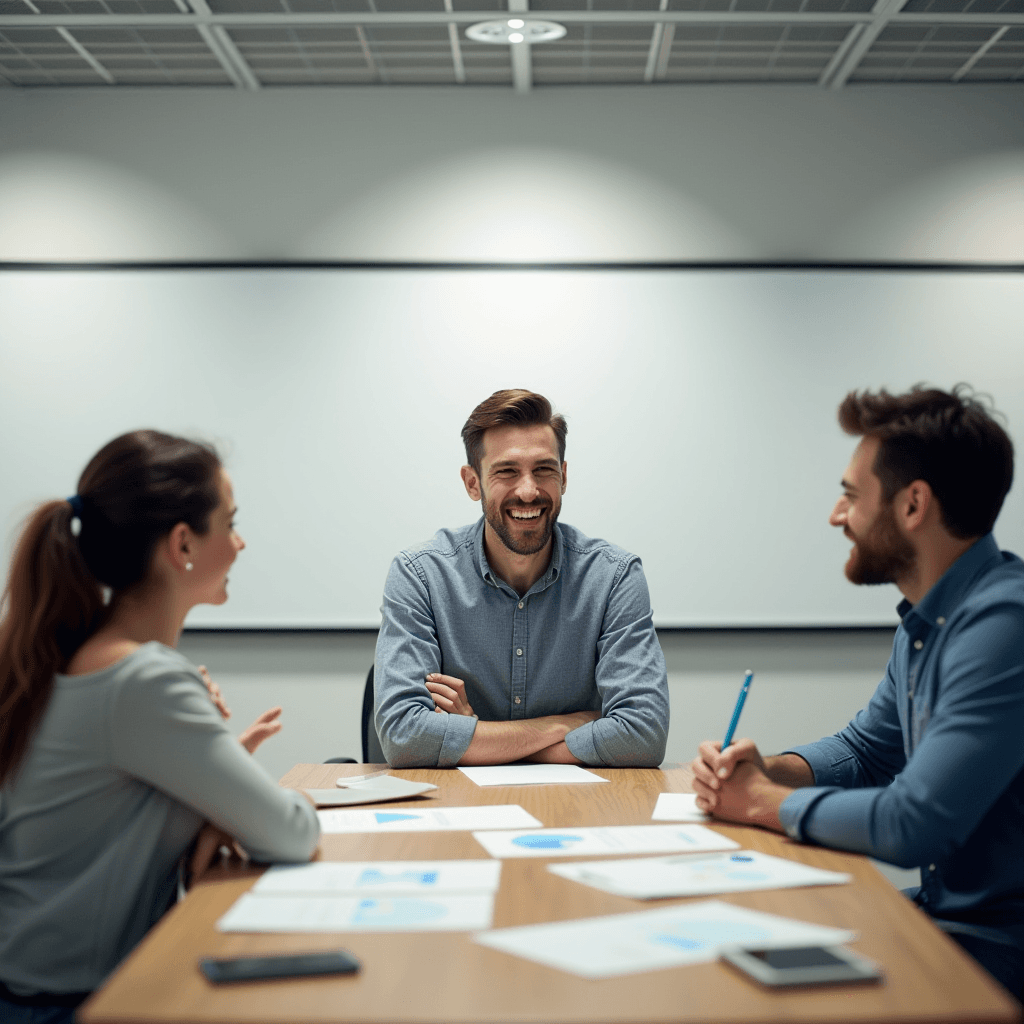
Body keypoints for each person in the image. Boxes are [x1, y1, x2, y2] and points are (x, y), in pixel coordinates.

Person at [691, 385, 1024, 998]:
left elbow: (911, 824)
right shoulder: (932, 618)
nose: (836, 516)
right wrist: (772, 771)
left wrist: (761, 801)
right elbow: (869, 751)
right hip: (948, 917)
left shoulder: (1004, 627)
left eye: (850, 495)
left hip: (999, 946)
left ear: (913, 505)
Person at [0, 430, 320, 1023]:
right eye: (230, 522)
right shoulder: (144, 681)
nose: (240, 542)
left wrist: (212, 796)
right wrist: (253, 800)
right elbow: (292, 833)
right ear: (183, 544)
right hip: (76, 1006)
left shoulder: (71, 658)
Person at [374, 389, 669, 768]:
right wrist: (565, 725)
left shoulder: (613, 577)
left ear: (563, 477)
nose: (528, 491)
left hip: (582, 811)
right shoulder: (420, 576)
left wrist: (475, 740)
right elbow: (404, 738)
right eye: (507, 471)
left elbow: (644, 736)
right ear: (472, 483)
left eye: (544, 470)